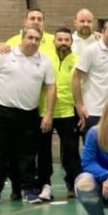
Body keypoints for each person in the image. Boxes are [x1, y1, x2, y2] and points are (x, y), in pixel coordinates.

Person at [0, 27, 56, 205]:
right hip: (3, 112)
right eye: (30, 37)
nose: (33, 42)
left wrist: (48, 114)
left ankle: (28, 189)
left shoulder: (45, 60)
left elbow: (51, 88)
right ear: (22, 38)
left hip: (29, 113)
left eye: (37, 39)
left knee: (27, 155)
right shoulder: (4, 55)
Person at [40, 27, 82, 200]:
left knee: (71, 151)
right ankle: (45, 185)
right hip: (44, 112)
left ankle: (73, 185)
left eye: (66, 40)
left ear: (71, 42)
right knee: (43, 151)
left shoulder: (78, 60)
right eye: (60, 40)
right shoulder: (44, 58)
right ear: (54, 41)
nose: (63, 43)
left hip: (68, 112)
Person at [73, 18, 108, 133]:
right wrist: (79, 105)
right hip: (93, 112)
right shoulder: (91, 51)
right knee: (94, 144)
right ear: (103, 31)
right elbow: (76, 78)